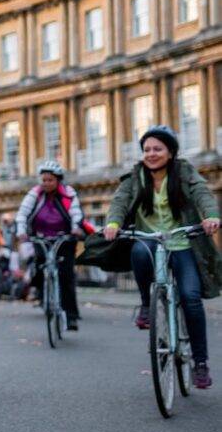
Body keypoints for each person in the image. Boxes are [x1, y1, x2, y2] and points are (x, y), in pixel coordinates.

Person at [95, 126, 221, 388]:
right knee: (139, 251)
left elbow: (202, 193)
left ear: (170, 152)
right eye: (147, 149)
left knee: (191, 299)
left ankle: (200, 363)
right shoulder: (135, 176)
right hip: (150, 240)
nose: (151, 154)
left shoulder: (184, 171)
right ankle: (145, 304)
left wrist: (211, 216)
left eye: (157, 149)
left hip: (182, 244)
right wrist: (113, 223)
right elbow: (119, 201)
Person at [15, 160, 88, 330]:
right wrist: (21, 231)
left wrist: (76, 228)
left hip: (65, 238)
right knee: (39, 267)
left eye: (50, 180)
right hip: (41, 237)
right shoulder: (35, 193)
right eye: (44, 180)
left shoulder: (68, 192)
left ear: (58, 180)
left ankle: (71, 316)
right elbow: (22, 213)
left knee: (66, 275)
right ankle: (42, 295)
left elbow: (76, 213)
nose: (46, 183)